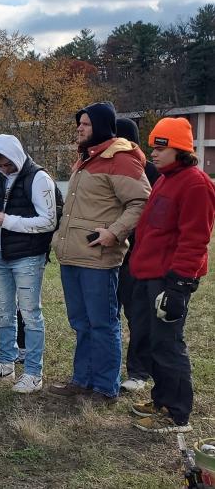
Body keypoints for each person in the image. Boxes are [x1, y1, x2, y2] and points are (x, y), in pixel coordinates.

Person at [49, 102, 151, 403]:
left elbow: (142, 202)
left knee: (102, 324)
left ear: (103, 127)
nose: (79, 128)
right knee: (80, 323)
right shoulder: (85, 159)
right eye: (79, 123)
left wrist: (114, 232)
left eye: (86, 124)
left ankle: (106, 388)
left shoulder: (121, 158)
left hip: (98, 259)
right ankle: (82, 380)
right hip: (72, 256)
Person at [129, 117, 215, 433]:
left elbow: (195, 238)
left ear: (179, 149)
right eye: (153, 146)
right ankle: (162, 399)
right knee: (153, 342)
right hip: (150, 275)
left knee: (168, 345)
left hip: (169, 279)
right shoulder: (167, 179)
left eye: (160, 147)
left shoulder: (195, 183)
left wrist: (179, 285)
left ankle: (177, 415)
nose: (153, 153)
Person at [0, 134, 58, 394]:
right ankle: (5, 362)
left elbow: (48, 220)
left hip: (28, 256)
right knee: (4, 312)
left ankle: (33, 372)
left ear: (16, 156)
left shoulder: (39, 178)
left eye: (7, 164)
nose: (3, 169)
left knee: (30, 314)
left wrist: (8, 221)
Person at [114, 118, 161, 392]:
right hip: (110, 251)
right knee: (111, 314)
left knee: (138, 314)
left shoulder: (152, 173)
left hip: (137, 255)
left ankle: (139, 370)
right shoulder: (106, 169)